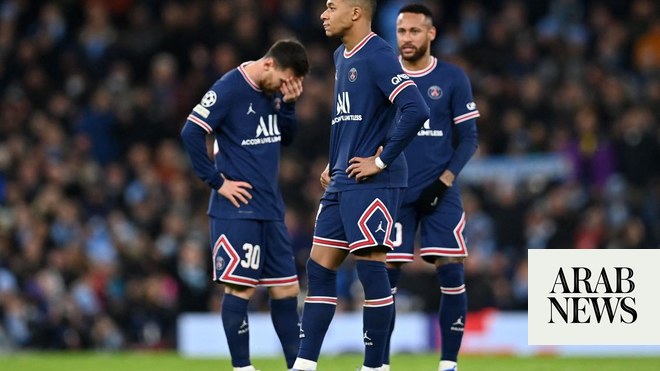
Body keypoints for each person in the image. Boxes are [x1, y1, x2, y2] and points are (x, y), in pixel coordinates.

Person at [292, 1, 430, 370]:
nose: (323, 14)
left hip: (374, 180)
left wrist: (380, 161)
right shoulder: (342, 55)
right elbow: (352, 119)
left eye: (331, 6)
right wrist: (334, 161)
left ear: (355, 12)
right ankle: (305, 364)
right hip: (343, 177)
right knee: (319, 266)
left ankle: (375, 366)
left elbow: (416, 108)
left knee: (370, 267)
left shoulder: (379, 54)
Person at [180, 39, 309, 371]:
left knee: (287, 289)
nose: (284, 88)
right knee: (240, 289)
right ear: (269, 65)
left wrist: (290, 106)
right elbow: (191, 132)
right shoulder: (229, 88)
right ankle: (242, 367)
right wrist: (217, 181)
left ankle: (296, 366)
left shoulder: (274, 93)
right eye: (284, 81)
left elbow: (286, 139)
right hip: (236, 210)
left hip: (271, 208)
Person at [383, 4, 479, 371]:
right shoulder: (386, 76)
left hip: (440, 190)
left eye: (414, 31)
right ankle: (380, 363)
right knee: (384, 277)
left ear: (431, 34)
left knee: (451, 270)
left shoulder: (453, 78)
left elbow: (468, 138)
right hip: (394, 191)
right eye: (402, 31)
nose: (407, 39)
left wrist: (444, 181)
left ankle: (448, 364)